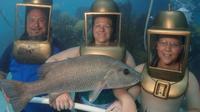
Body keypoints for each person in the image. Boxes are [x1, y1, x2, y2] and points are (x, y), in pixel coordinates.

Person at [46, 0, 139, 112]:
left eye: (107, 26)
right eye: (97, 25)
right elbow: (51, 61)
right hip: (81, 107)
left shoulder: (123, 53)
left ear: (113, 29)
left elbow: (136, 82)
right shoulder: (82, 50)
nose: (101, 29)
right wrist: (59, 92)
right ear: (92, 27)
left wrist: (125, 101)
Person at [128, 11, 200, 112]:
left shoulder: (189, 78)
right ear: (156, 45)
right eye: (163, 42)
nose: (167, 49)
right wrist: (125, 100)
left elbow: (195, 107)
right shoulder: (141, 70)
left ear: (182, 48)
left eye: (174, 44)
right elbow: (129, 94)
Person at [0, 0, 60, 111]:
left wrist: (63, 92)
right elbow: (1, 73)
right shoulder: (12, 48)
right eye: (31, 20)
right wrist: (4, 89)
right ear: (26, 22)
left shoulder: (59, 48)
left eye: (41, 20)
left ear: (48, 22)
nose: (36, 25)